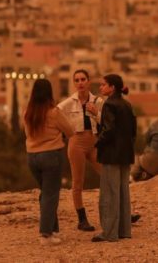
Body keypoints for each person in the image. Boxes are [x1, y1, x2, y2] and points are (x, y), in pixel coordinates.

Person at [24, 79, 75, 245]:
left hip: (32, 157)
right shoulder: (54, 112)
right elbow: (70, 131)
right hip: (51, 156)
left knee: (45, 194)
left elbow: (26, 133)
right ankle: (45, 234)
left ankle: (53, 231)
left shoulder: (28, 113)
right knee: (50, 195)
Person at [57, 69, 105, 231]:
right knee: (78, 182)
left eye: (83, 79)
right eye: (77, 80)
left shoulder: (98, 101)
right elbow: (54, 116)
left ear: (89, 81)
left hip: (94, 141)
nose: (80, 83)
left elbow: (106, 121)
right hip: (76, 142)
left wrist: (96, 113)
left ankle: (120, 212)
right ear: (74, 83)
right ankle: (82, 219)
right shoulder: (67, 103)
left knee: (107, 175)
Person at [92, 74, 137, 242]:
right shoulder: (127, 104)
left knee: (110, 193)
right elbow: (133, 131)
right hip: (126, 154)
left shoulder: (109, 104)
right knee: (123, 192)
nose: (101, 88)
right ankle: (124, 230)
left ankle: (109, 232)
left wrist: (98, 144)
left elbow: (108, 130)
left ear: (112, 87)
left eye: (103, 85)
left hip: (111, 154)